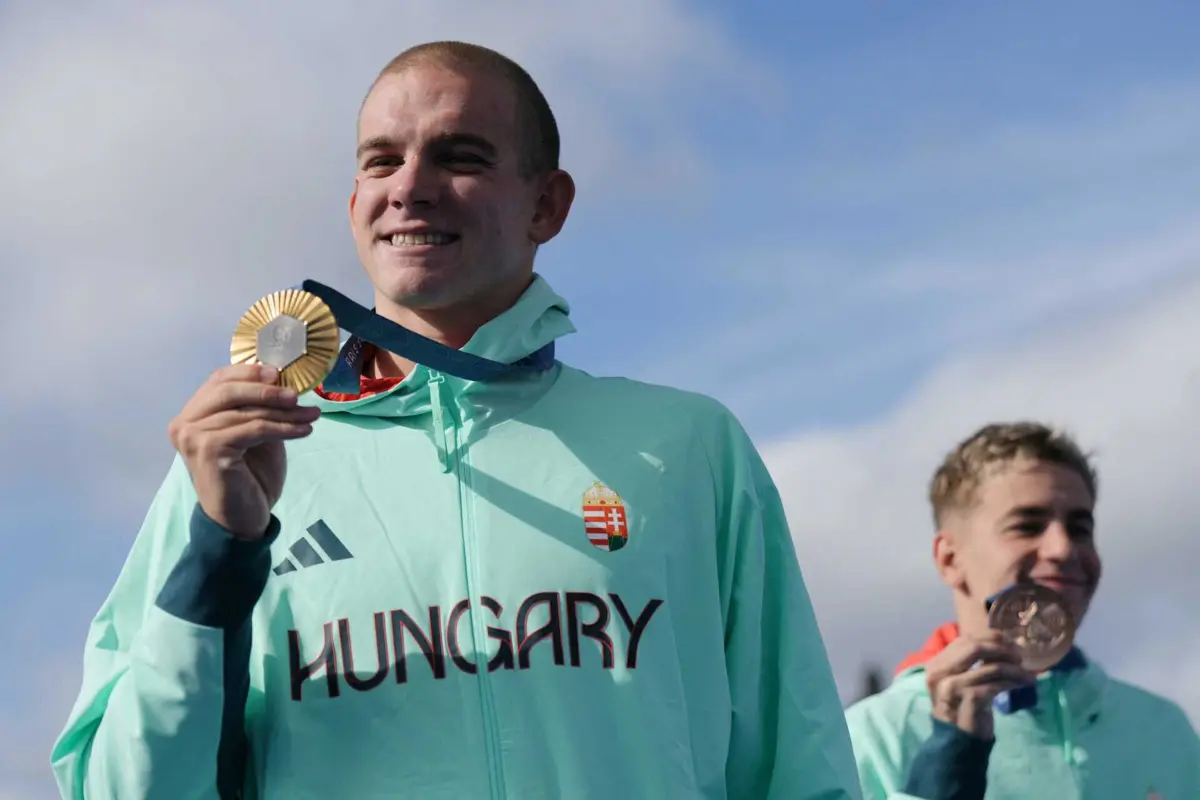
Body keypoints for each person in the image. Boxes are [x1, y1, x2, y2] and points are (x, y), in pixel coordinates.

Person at [50, 41, 861, 799]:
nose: (410, 185)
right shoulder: (234, 464)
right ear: (356, 202)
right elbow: (123, 785)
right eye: (382, 161)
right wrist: (221, 554)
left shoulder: (688, 448)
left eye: (459, 156)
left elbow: (801, 769)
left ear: (547, 204)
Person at [844, 421, 1199, 799]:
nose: (1062, 549)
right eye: (1027, 526)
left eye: (1080, 528)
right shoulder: (872, 736)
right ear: (950, 559)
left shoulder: (1162, 728)